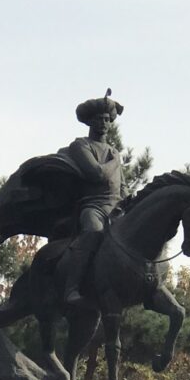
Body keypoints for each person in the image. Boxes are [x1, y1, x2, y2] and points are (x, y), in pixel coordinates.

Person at [62, 90, 125, 307]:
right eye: (99, 119)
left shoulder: (113, 151)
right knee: (93, 232)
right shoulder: (81, 145)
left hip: (117, 209)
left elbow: (122, 185)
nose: (104, 123)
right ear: (90, 120)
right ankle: (72, 288)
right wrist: (115, 161)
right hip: (93, 207)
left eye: (108, 119)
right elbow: (97, 173)